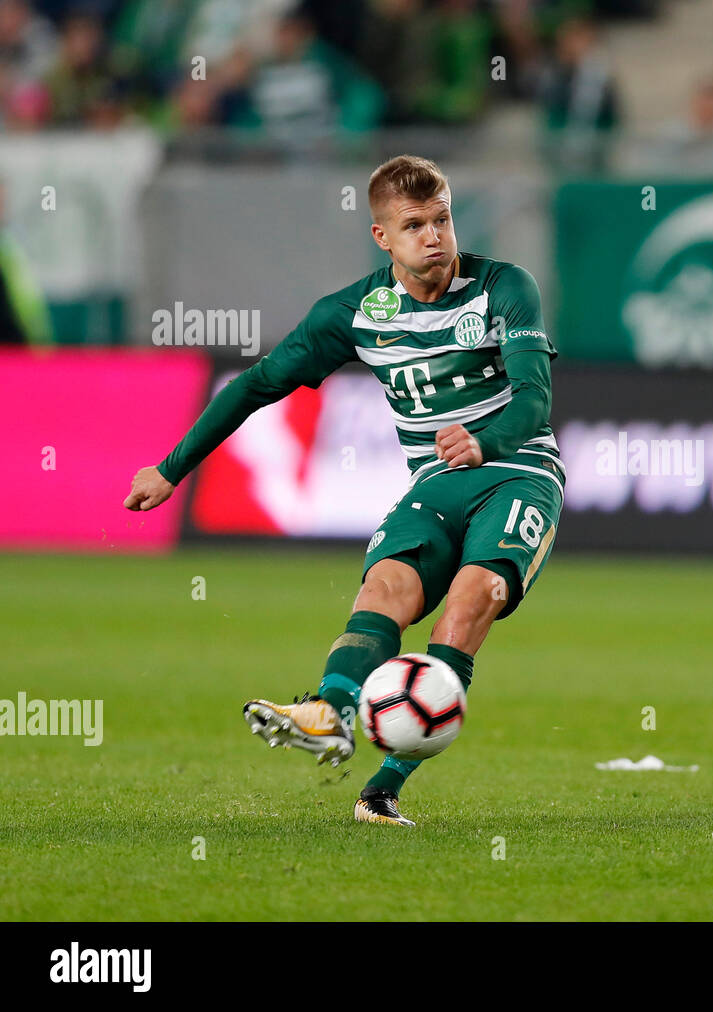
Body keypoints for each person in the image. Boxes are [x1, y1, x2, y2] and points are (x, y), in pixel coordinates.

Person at [124, 155, 563, 827]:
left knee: (474, 595)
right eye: (414, 225)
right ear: (382, 237)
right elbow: (255, 385)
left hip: (520, 474)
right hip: (437, 484)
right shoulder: (356, 312)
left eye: (442, 218)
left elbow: (533, 399)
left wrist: (487, 440)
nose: (435, 236)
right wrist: (170, 468)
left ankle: (385, 784)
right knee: (384, 589)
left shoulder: (505, 288)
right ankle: (330, 713)